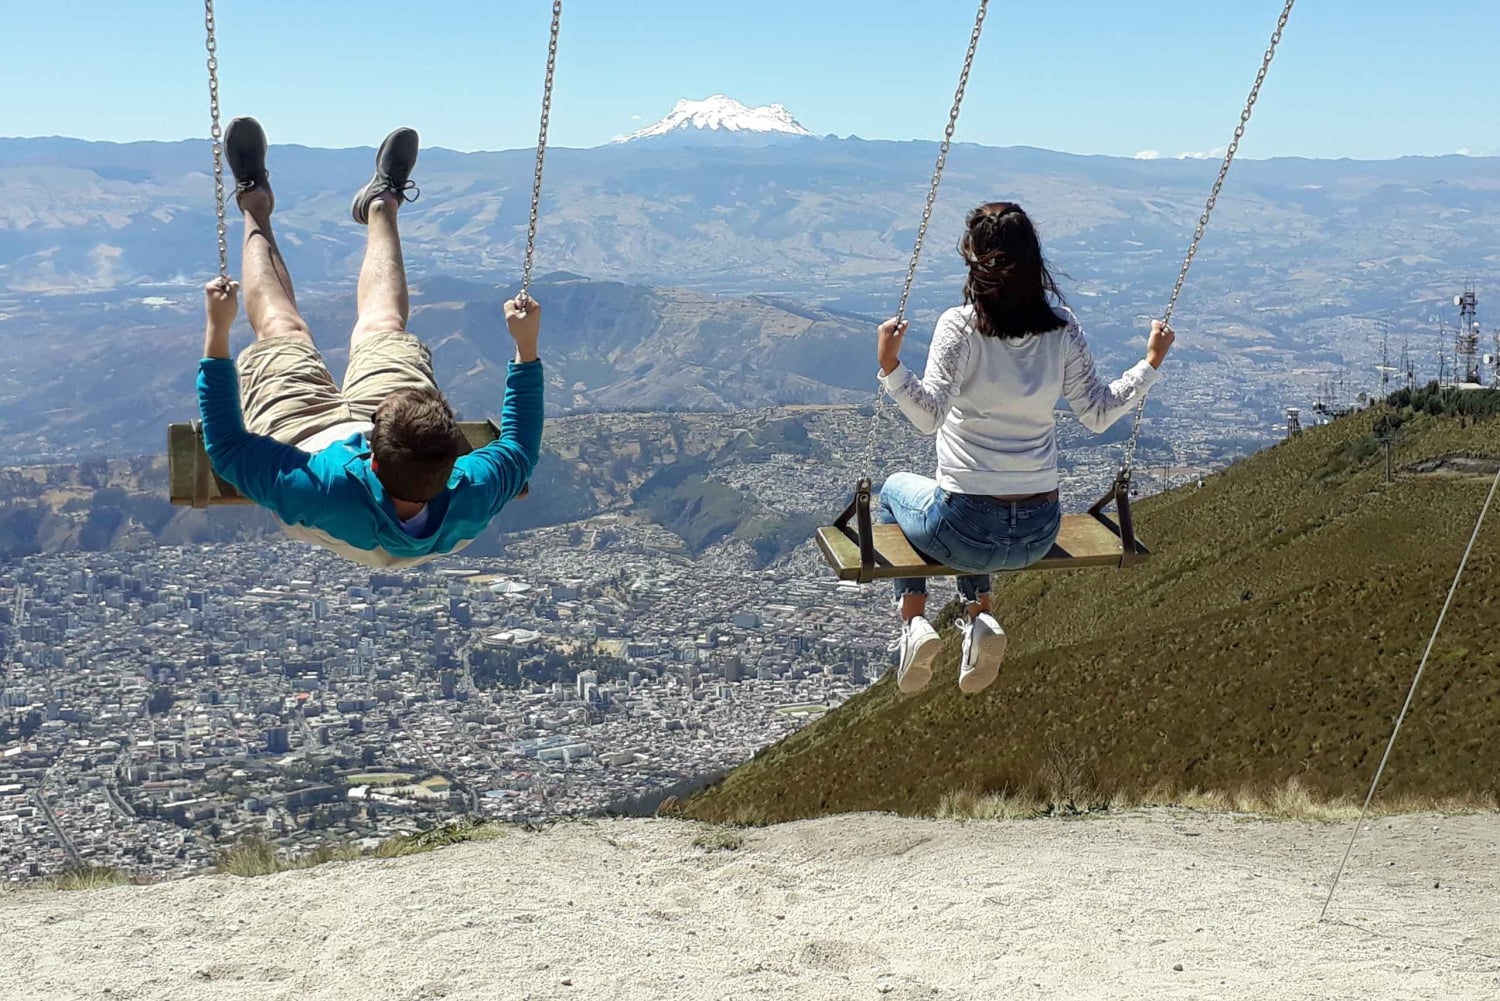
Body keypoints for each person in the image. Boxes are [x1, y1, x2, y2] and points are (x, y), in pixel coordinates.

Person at [197, 117, 542, 568]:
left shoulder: (320, 489)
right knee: (383, 326)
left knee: (284, 331)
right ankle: (382, 204)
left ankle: (254, 203)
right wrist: (526, 349)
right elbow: (518, 448)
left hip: (309, 442)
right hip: (397, 464)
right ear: (455, 460)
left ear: (371, 460)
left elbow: (227, 448)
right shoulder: (472, 489)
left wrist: (216, 331)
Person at [874, 201, 1174, 695]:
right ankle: (980, 618)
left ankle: (914, 623)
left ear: (975, 260)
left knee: (892, 492)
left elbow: (927, 417)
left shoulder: (960, 326)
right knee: (977, 506)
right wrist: (1149, 364)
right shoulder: (1061, 328)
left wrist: (891, 366)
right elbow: (1098, 412)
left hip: (964, 529)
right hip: (1038, 530)